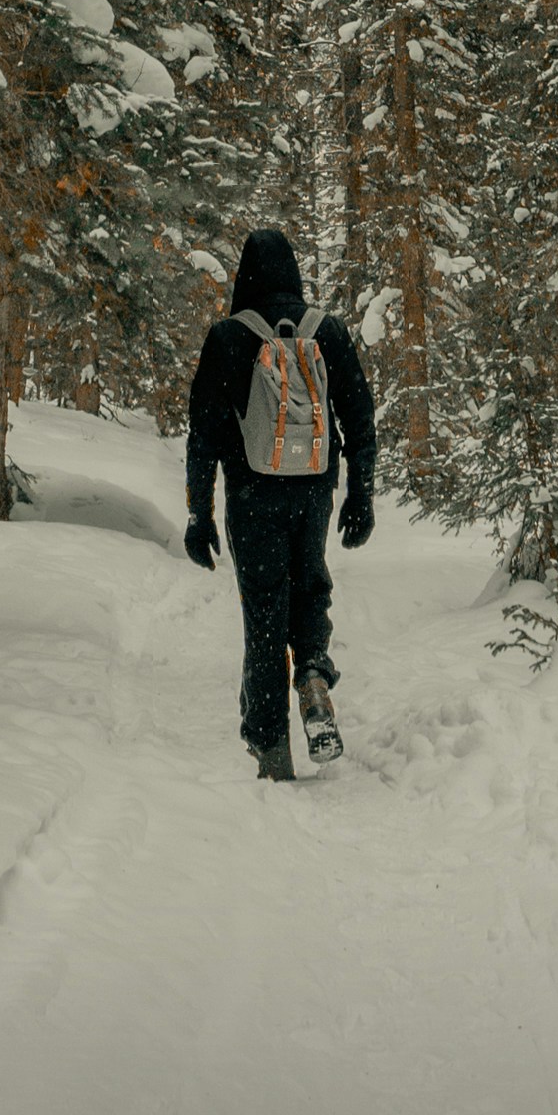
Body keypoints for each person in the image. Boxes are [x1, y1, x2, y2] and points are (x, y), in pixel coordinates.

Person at [183, 226, 377, 780]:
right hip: (315, 490)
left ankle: (271, 750)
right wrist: (359, 496)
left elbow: (202, 436)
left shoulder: (228, 337)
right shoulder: (326, 332)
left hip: (252, 493)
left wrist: (200, 515)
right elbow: (360, 421)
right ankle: (314, 673)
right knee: (309, 583)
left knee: (264, 612)